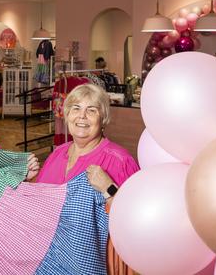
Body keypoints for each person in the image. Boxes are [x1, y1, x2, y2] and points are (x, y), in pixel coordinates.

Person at [36, 83, 139, 275]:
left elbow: (137, 221)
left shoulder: (119, 160)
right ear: (66, 115)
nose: (82, 116)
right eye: (76, 108)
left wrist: (109, 189)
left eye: (91, 110)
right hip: (49, 261)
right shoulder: (57, 154)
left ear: (104, 118)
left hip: (92, 266)